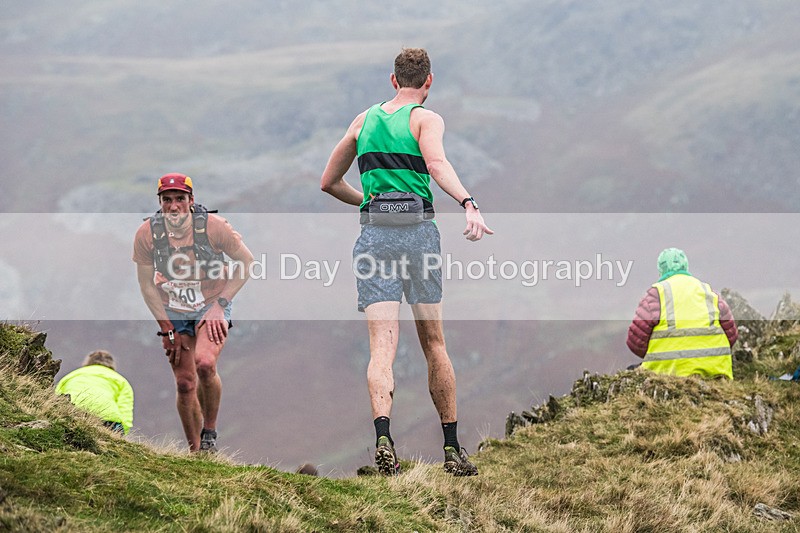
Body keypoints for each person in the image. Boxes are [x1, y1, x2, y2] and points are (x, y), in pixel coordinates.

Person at [320, 48, 492, 476]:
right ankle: (452, 449)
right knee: (434, 343)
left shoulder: (363, 121)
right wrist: (468, 202)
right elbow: (435, 163)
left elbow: (328, 182)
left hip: (375, 236)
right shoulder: (425, 119)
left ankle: (384, 439)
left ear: (392, 80)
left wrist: (371, 204)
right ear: (428, 82)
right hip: (418, 235)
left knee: (382, 350)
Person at [133, 173, 255, 452]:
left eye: (179, 199)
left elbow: (246, 262)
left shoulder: (214, 227)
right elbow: (146, 285)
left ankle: (209, 432)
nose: (173, 206)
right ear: (160, 203)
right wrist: (166, 328)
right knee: (185, 383)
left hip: (211, 301)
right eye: (167, 200)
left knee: (204, 363)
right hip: (172, 308)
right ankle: (196, 450)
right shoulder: (147, 235)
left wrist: (220, 306)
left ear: (191, 200)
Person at [627, 248, 738, 379]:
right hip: (716, 371)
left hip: (668, 372)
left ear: (661, 269)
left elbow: (636, 342)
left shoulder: (656, 294)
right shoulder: (708, 291)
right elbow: (732, 335)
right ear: (686, 266)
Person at [55, 350, 134, 434]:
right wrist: (122, 434)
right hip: (108, 421)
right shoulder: (122, 381)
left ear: (88, 362)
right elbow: (125, 412)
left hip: (73, 412)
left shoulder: (71, 375)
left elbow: (56, 398)